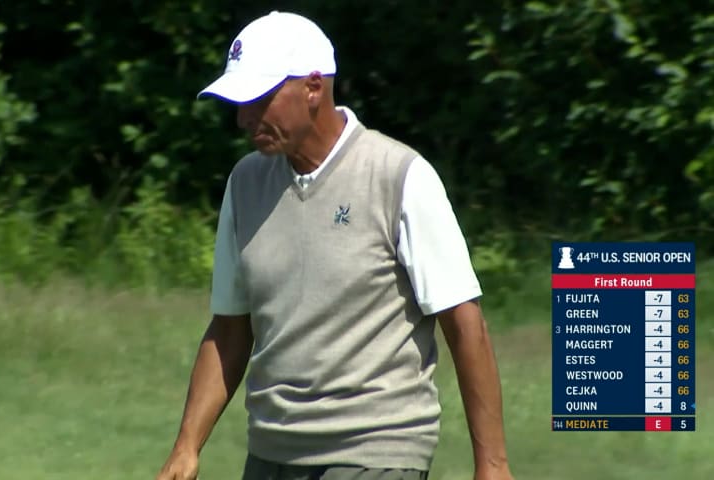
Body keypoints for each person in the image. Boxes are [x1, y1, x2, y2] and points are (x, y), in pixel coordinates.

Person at [156, 11, 514, 480]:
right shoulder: (245, 184)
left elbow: (465, 324)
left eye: (259, 99)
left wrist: (493, 465)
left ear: (313, 87)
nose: (244, 118)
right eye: (239, 103)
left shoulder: (398, 175)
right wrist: (186, 448)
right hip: (270, 453)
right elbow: (229, 330)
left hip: (375, 452)